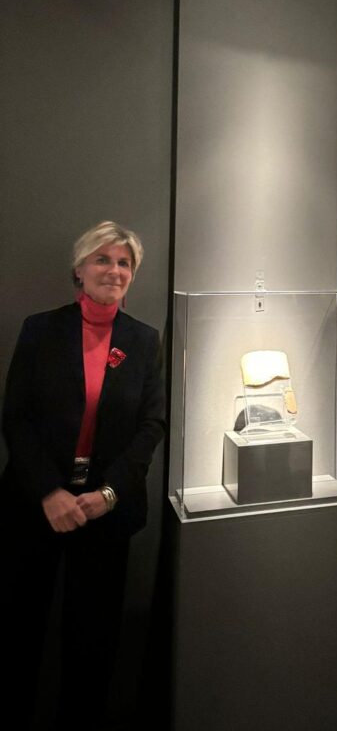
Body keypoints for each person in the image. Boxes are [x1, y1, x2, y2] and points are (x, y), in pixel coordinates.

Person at [0, 220, 165, 731]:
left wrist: (108, 494)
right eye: (103, 259)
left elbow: (152, 425)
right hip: (36, 507)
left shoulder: (144, 340)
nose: (114, 270)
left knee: (93, 643)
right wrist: (49, 492)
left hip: (105, 513)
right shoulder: (40, 330)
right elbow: (16, 418)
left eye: (124, 263)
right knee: (18, 634)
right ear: (80, 269)